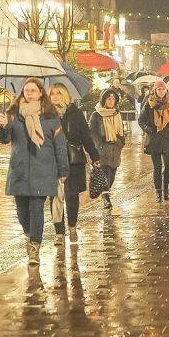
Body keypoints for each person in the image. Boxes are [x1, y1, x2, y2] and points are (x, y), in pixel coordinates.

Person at [0, 78, 69, 266]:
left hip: (43, 169)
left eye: (33, 90)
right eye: (26, 90)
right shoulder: (13, 115)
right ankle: (30, 235)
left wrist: (63, 169)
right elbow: (4, 140)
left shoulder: (50, 117)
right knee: (22, 212)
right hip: (20, 169)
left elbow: (60, 146)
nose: (28, 93)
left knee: (37, 208)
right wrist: (3, 126)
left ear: (40, 93)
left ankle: (34, 246)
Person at [50, 83, 100, 242]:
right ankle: (59, 232)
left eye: (58, 93)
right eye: (52, 94)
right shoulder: (47, 114)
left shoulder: (75, 113)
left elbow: (86, 136)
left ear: (65, 95)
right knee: (55, 197)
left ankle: (72, 226)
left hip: (73, 159)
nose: (55, 96)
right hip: (54, 159)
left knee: (71, 196)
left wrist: (95, 157)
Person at [139, 80, 169, 202]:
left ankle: (166, 187)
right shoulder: (149, 103)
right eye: (159, 89)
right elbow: (141, 120)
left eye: (163, 89)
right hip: (154, 139)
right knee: (157, 167)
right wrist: (147, 129)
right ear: (155, 90)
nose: (161, 91)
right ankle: (158, 192)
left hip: (168, 138)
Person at [89, 88, 126, 210]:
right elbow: (92, 132)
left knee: (112, 177)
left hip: (115, 150)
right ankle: (106, 201)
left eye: (113, 99)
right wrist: (99, 144)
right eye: (109, 99)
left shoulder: (117, 113)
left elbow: (121, 130)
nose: (111, 101)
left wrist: (121, 142)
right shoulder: (96, 115)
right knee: (106, 176)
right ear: (104, 100)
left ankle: (106, 195)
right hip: (103, 150)